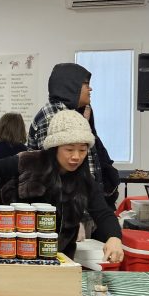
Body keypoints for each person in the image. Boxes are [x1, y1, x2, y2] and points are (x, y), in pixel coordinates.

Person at [0, 109, 124, 262]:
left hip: (59, 258)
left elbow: (103, 213)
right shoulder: (28, 162)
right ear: (55, 147)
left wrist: (114, 237)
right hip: (14, 256)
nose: (76, 156)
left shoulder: (84, 179)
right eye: (69, 149)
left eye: (82, 150)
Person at [28, 63, 118, 207]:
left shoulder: (72, 113)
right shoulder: (52, 117)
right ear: (71, 86)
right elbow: (52, 171)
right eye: (86, 84)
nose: (90, 89)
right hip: (65, 206)